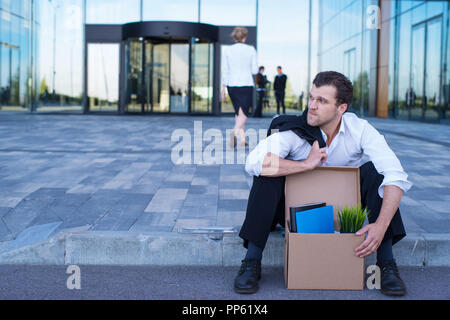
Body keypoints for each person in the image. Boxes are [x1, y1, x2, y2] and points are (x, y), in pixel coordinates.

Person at [234, 71, 412, 297]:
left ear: (341, 108)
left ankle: (387, 265)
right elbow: (254, 162)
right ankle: (252, 261)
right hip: (292, 210)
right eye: (311, 97)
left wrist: (381, 225)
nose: (312, 106)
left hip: (341, 210)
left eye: (322, 101)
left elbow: (396, 175)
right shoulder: (293, 130)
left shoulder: (359, 129)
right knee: (268, 172)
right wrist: (306, 165)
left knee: (376, 172)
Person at [221, 27, 258, 147]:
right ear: (244, 37)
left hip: (231, 85)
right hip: (246, 84)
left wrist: (223, 88)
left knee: (238, 113)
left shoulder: (227, 50)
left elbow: (225, 70)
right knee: (244, 114)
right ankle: (233, 133)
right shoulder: (251, 49)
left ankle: (242, 139)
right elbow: (255, 69)